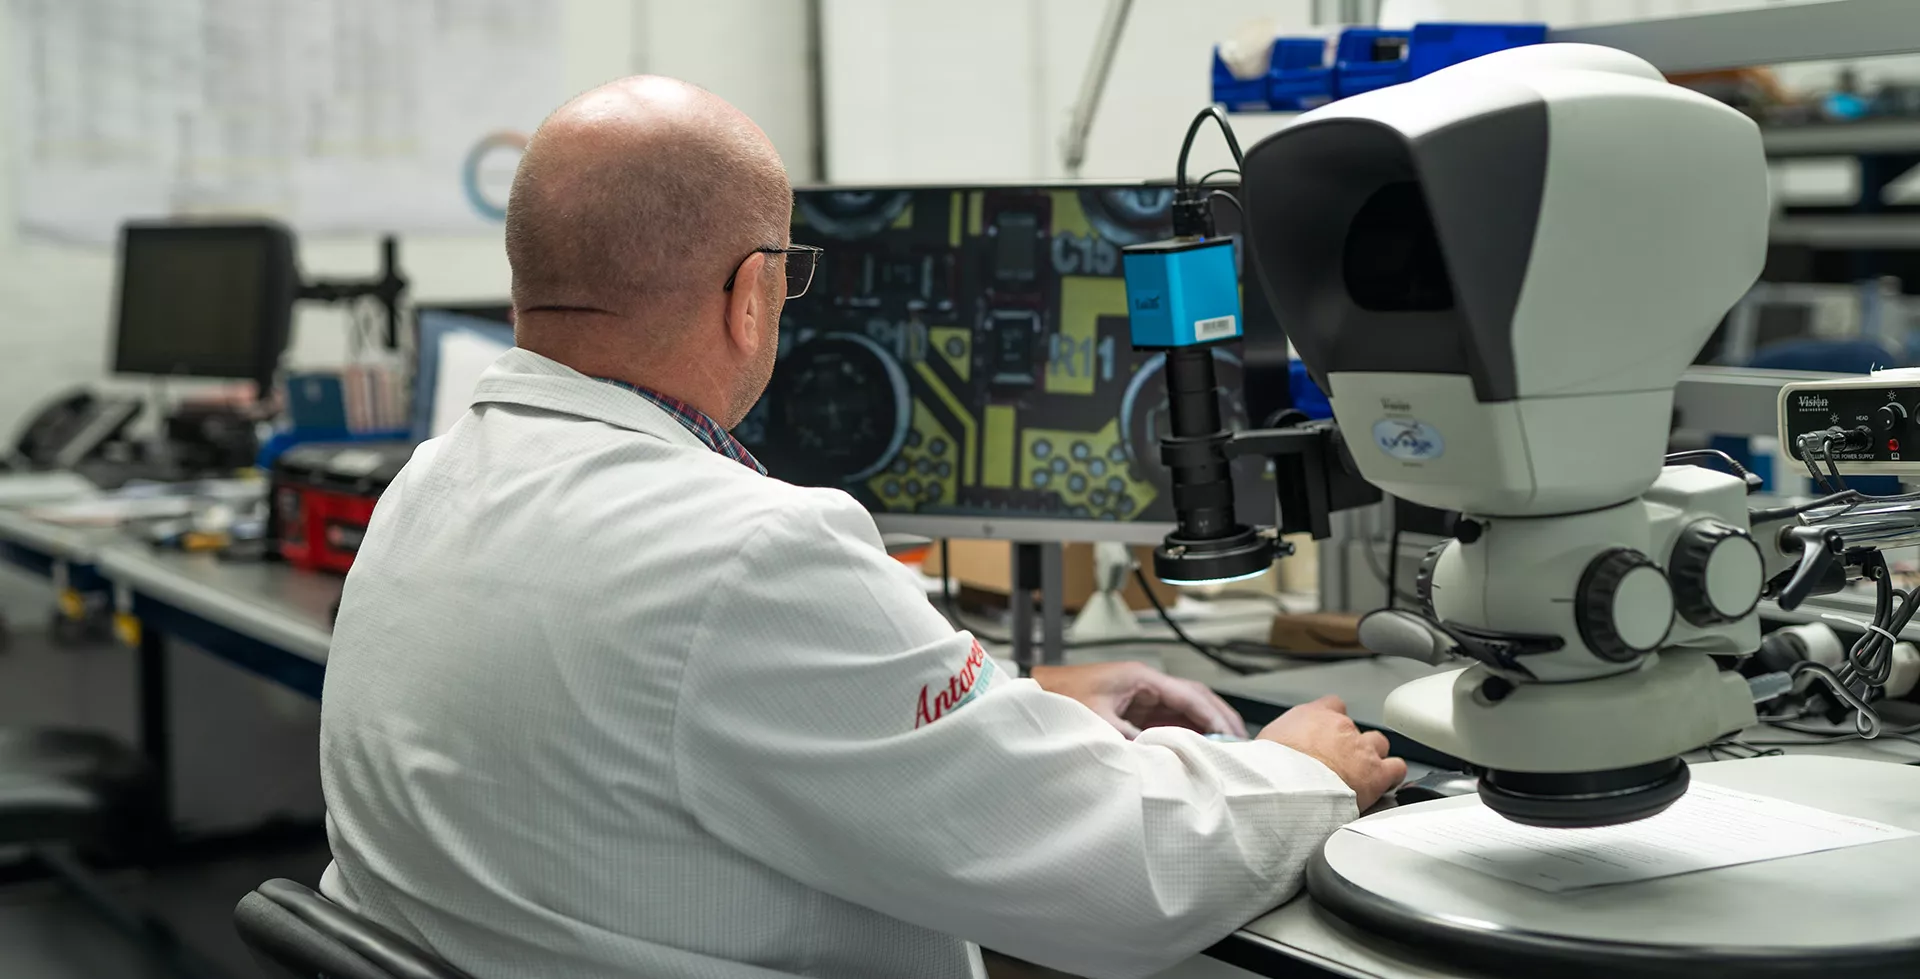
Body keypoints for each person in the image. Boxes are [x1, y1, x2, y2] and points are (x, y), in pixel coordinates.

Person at [319, 76, 1404, 979]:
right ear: (753, 293)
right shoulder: (747, 550)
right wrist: (1294, 770)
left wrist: (1000, 692)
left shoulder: (428, 483)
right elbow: (1123, 876)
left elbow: (668, 699)